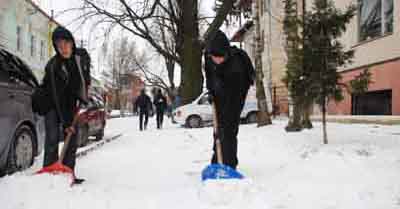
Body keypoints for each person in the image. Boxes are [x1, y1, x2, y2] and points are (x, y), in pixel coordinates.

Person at [41, 26, 88, 184]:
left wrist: (83, 94)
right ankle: (48, 176)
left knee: (72, 138)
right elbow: (57, 96)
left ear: (72, 42)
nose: (63, 49)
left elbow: (83, 79)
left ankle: (68, 174)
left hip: (69, 101)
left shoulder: (79, 58)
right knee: (53, 138)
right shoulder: (53, 66)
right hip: (50, 102)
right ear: (56, 47)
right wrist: (66, 122)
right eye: (59, 46)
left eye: (66, 43)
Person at [204, 30, 255, 170]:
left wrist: (226, 110)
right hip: (220, 90)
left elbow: (235, 95)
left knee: (229, 128)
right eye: (215, 57)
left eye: (221, 57)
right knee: (218, 129)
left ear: (226, 54)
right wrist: (211, 90)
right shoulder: (209, 57)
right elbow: (209, 75)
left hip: (236, 93)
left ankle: (229, 164)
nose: (217, 60)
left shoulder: (237, 67)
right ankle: (217, 161)